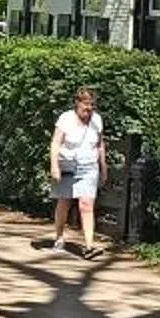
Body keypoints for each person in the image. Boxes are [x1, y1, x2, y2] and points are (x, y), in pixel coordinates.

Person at [50, 86, 106, 257]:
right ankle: (59, 236)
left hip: (89, 166)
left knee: (86, 204)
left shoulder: (97, 120)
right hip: (67, 165)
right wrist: (54, 166)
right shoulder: (65, 118)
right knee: (64, 202)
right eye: (86, 104)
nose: (88, 108)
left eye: (92, 105)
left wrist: (103, 167)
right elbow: (56, 143)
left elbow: (100, 145)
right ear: (77, 103)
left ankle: (89, 245)